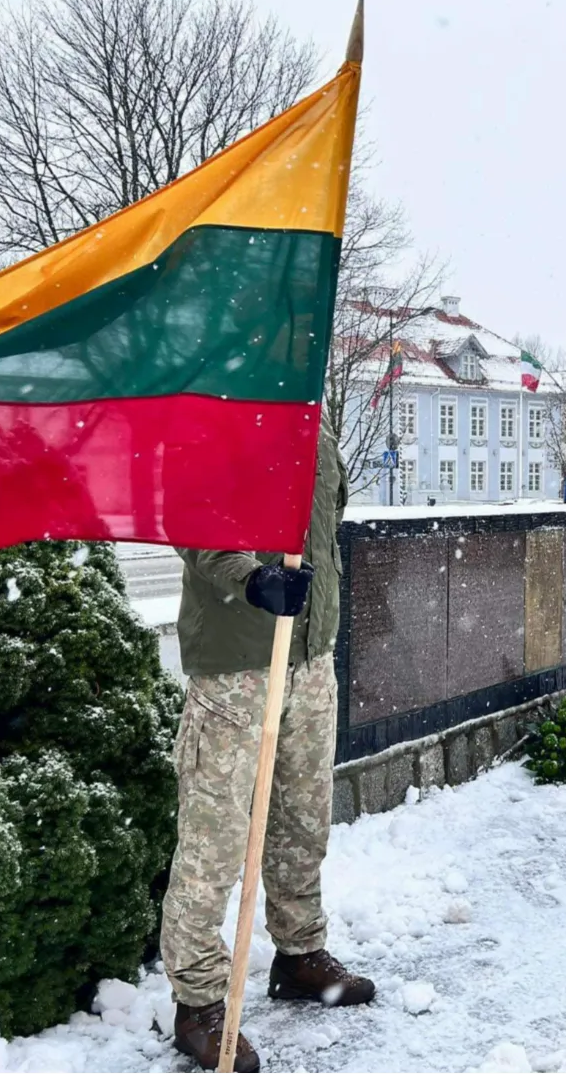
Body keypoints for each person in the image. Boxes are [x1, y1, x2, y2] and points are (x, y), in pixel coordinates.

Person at [164, 411, 372, 1074]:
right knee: (214, 840)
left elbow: (326, 524)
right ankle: (197, 1001)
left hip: (310, 658)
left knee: (303, 820)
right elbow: (191, 521)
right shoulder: (215, 415)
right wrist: (251, 577)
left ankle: (299, 953)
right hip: (236, 664)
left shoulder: (318, 424)